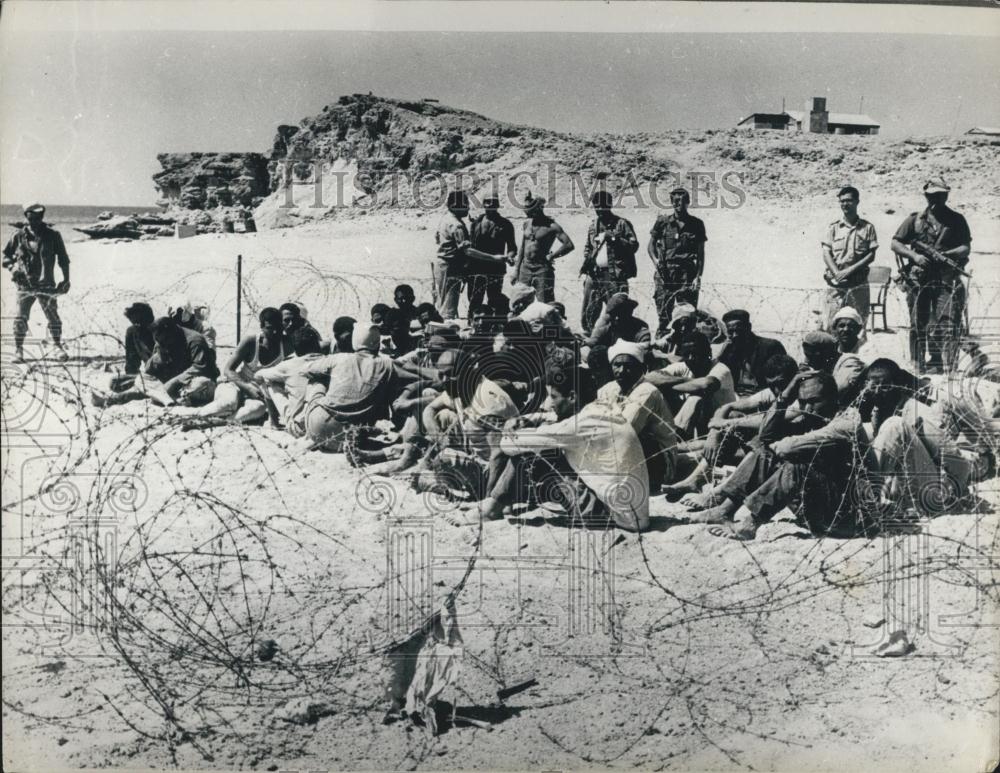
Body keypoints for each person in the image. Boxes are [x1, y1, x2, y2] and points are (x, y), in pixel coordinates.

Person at [684, 372, 876, 541]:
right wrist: (784, 398)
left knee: (796, 467)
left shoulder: (846, 422)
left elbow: (785, 448)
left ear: (834, 399)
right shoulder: (813, 413)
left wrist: (775, 444)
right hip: (819, 507)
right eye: (803, 402)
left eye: (814, 401)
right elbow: (766, 435)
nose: (807, 408)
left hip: (849, 515)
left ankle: (750, 524)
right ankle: (724, 511)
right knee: (765, 450)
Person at [475, 363, 651, 531]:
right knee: (548, 449)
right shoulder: (602, 410)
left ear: (573, 397)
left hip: (611, 516)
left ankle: (491, 509)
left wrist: (511, 429)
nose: (549, 403)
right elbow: (553, 416)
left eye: (553, 397)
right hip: (634, 516)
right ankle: (501, 502)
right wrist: (529, 419)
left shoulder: (579, 425)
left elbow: (509, 446)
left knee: (533, 454)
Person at [665, 353, 799, 497]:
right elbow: (727, 407)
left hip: (784, 453)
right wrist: (715, 432)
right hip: (763, 448)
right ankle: (695, 479)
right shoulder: (774, 392)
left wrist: (725, 423)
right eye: (772, 385)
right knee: (734, 416)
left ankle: (721, 490)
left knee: (746, 429)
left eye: (780, 384)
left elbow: (767, 420)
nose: (777, 390)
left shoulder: (801, 396)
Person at [891, 178, 973, 374]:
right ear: (926, 196)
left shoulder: (957, 219)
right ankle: (918, 365)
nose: (936, 199)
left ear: (946, 195)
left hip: (946, 278)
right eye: (932, 195)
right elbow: (895, 243)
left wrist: (948, 255)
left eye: (940, 195)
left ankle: (945, 366)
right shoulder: (915, 220)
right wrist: (915, 256)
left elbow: (965, 247)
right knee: (918, 322)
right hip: (919, 278)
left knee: (948, 321)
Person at [177, 307, 287, 422]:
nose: (275, 332)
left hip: (256, 395)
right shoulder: (251, 341)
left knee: (258, 409)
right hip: (235, 384)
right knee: (229, 404)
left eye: (278, 327)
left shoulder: (286, 345)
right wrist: (247, 387)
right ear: (261, 327)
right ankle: (190, 417)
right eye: (269, 328)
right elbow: (228, 370)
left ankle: (223, 422)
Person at [597, 340, 679, 492]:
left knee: (627, 434)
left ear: (642, 369)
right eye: (617, 365)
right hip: (621, 454)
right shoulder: (608, 389)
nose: (621, 370)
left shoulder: (647, 391)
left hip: (659, 462)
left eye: (628, 366)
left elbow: (625, 429)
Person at [92, 317, 219, 408]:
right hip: (170, 376)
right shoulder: (162, 338)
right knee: (118, 381)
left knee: (199, 385)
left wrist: (173, 382)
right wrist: (160, 356)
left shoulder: (194, 340)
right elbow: (149, 370)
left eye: (163, 342)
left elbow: (200, 367)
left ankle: (165, 398)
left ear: (173, 334)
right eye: (158, 341)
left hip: (193, 380)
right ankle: (159, 395)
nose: (160, 344)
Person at [2, 203, 70, 362]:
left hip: (46, 285)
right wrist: (13, 268)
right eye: (31, 218)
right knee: (20, 317)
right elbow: (6, 258)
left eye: (38, 218)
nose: (35, 221)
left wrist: (66, 280)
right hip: (24, 285)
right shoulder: (17, 236)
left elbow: (64, 260)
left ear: (42, 217)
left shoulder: (54, 236)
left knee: (53, 317)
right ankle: (19, 350)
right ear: (26, 217)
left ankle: (57, 346)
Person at [645, 331, 736, 438]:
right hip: (698, 424)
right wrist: (687, 382)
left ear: (708, 352)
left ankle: (674, 439)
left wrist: (669, 385)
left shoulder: (720, 369)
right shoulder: (683, 366)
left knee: (696, 398)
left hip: (720, 428)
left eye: (696, 353)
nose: (691, 358)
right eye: (687, 354)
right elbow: (649, 378)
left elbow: (706, 385)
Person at [647, 188, 707, 337]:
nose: (677, 204)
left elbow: (700, 254)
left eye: (681, 201)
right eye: (674, 201)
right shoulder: (662, 222)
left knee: (687, 315)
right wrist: (656, 262)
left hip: (687, 273)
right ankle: (662, 348)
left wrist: (697, 276)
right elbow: (650, 246)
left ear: (687, 202)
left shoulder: (696, 224)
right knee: (663, 315)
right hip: (665, 273)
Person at [433, 191, 500, 321]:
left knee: (442, 302)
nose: (468, 208)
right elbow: (468, 251)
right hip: (450, 267)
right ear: (455, 206)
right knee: (449, 307)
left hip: (443, 265)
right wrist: (493, 258)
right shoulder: (456, 225)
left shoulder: (445, 218)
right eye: (465, 205)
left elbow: (437, 239)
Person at [579, 191, 640, 334]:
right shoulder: (593, 225)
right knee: (589, 311)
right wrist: (588, 260)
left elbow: (634, 246)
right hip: (594, 275)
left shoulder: (622, 224)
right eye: (596, 206)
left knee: (616, 311)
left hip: (614, 275)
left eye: (602, 206)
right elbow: (588, 247)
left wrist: (613, 238)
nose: (599, 209)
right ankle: (591, 337)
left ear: (610, 205)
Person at [822, 186, 878, 329]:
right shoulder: (833, 228)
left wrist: (849, 271)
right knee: (831, 326)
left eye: (849, 201)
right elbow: (826, 252)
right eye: (842, 201)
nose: (845, 204)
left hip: (858, 285)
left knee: (858, 327)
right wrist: (837, 273)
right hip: (836, 286)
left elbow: (871, 255)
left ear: (857, 202)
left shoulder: (867, 228)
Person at [254, 324, 327, 435]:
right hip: (325, 423)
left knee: (269, 381)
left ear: (296, 351)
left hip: (301, 428)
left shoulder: (289, 365)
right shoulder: (329, 361)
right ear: (317, 344)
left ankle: (273, 422)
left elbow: (258, 375)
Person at [513, 193, 574, 303]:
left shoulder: (552, 226)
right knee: (521, 301)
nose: (528, 214)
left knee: (545, 302)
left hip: (542, 269)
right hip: (525, 268)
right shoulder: (527, 223)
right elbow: (523, 247)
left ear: (538, 209)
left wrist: (552, 255)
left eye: (531, 211)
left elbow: (568, 245)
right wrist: (516, 270)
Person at [716, 309, 787, 397]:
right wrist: (721, 354)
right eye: (731, 332)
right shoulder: (729, 350)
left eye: (739, 331)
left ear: (749, 327)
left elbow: (781, 379)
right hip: (735, 396)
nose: (735, 335)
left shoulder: (770, 347)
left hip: (761, 396)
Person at [467, 195, 517, 316]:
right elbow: (470, 246)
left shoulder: (505, 224)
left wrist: (510, 256)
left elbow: (512, 247)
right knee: (474, 298)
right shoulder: (476, 223)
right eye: (487, 202)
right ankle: (473, 322)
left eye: (493, 202)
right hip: (476, 267)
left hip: (496, 268)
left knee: (494, 298)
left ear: (498, 205)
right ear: (483, 204)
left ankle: (493, 323)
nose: (490, 205)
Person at [800, 330, 865, 403]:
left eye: (811, 357)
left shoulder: (849, 362)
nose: (807, 362)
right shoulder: (825, 364)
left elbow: (835, 392)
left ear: (824, 354)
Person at [584, 293, 652, 352]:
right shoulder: (605, 326)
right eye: (620, 312)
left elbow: (645, 345)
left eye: (628, 310)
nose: (628, 313)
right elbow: (592, 343)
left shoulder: (639, 326)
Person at [389, 284, 420, 355]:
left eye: (406, 298)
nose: (403, 301)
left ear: (413, 299)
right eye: (400, 299)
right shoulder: (392, 315)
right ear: (395, 300)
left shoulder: (419, 313)